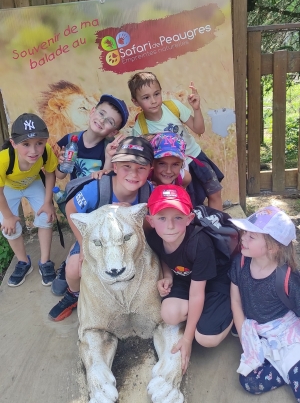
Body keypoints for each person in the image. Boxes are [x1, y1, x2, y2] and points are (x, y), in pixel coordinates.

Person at [49, 136, 154, 322]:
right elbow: (71, 209)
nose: (133, 174)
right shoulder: (97, 188)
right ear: (115, 167)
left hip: (127, 243)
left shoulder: (150, 192)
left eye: (141, 168)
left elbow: (149, 228)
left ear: (150, 170)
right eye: (126, 167)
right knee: (74, 269)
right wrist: (83, 245)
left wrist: (130, 216)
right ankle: (74, 294)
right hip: (96, 239)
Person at [145, 184, 233, 374]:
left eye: (178, 217)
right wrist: (167, 275)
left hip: (216, 280)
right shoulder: (154, 237)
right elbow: (164, 255)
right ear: (151, 221)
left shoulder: (200, 244)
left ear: (189, 219)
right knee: (169, 314)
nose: (169, 226)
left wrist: (187, 338)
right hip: (187, 277)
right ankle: (204, 314)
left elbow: (196, 294)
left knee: (205, 338)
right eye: (162, 218)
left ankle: (231, 308)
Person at [51, 94, 129, 296]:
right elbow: (60, 174)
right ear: (92, 111)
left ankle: (74, 261)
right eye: (101, 113)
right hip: (74, 201)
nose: (101, 121)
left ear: (114, 131)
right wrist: (61, 162)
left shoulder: (109, 147)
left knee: (92, 238)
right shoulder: (70, 140)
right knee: (80, 233)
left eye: (109, 121)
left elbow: (106, 177)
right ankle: (71, 262)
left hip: (97, 205)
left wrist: (109, 157)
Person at [229, 206, 300, 403]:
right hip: (261, 334)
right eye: (245, 233)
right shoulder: (240, 263)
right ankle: (288, 369)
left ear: (272, 247)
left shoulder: (287, 278)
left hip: (288, 334)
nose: (243, 238)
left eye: (252, 237)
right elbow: (235, 302)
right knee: (248, 381)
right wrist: (246, 339)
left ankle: (290, 365)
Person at [128, 71, 224, 210]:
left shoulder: (173, 107)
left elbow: (199, 129)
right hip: (172, 169)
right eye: (146, 97)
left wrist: (196, 109)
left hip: (195, 157)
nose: (154, 100)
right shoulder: (139, 128)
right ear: (135, 101)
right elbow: (145, 159)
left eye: (156, 94)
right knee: (187, 203)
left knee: (215, 193)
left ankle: (218, 227)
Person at [0, 113, 58, 287]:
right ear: (14, 143)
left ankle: (45, 261)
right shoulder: (3, 159)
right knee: (8, 227)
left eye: (39, 143)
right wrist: (8, 216)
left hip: (33, 182)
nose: (33, 151)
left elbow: (50, 174)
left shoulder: (46, 152)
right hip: (9, 188)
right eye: (26, 144)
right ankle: (23, 261)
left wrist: (48, 203)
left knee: (46, 217)